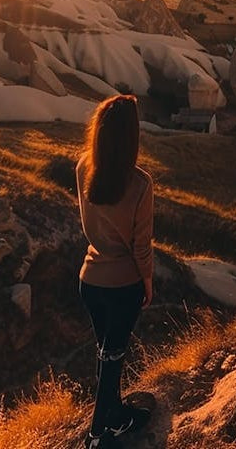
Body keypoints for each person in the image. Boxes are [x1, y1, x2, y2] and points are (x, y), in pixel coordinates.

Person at [76, 94, 154, 448]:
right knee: (112, 356)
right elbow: (141, 246)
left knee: (106, 354)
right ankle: (96, 435)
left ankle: (119, 416)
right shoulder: (139, 184)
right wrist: (148, 281)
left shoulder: (83, 167)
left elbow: (86, 224)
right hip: (124, 284)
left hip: (90, 280)